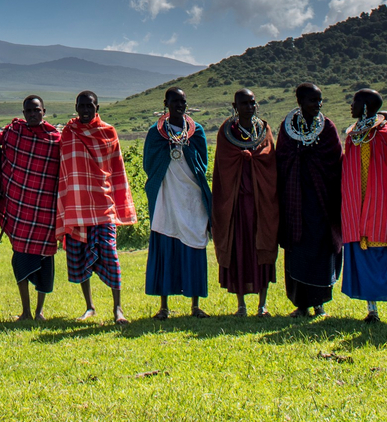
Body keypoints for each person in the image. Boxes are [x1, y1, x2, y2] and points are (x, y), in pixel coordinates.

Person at [57, 90, 136, 324]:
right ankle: (89, 306)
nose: (84, 110)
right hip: (77, 204)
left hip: (103, 203)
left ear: (97, 108)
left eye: (89, 106)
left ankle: (118, 309)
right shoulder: (69, 132)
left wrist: (122, 202)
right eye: (81, 106)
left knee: (110, 254)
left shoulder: (108, 132)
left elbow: (117, 168)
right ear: (75, 107)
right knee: (79, 256)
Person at [340, 89, 387, 326]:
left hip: (386, 206)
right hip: (358, 207)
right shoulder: (353, 136)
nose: (351, 106)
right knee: (365, 258)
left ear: (365, 107)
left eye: (355, 102)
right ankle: (372, 311)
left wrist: (385, 194)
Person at [275, 83, 344, 318]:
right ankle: (301, 304)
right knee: (298, 251)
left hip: (321, 203)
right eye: (313, 100)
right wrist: (298, 158)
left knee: (321, 250)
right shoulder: (287, 128)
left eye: (320, 100)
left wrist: (310, 160)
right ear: (300, 102)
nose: (318, 105)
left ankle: (319, 303)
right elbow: (282, 159)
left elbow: (334, 162)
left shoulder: (327, 128)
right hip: (295, 203)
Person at [143, 87, 211, 319]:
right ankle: (164, 307)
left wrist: (184, 150)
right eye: (175, 102)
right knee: (165, 244)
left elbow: (202, 164)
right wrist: (167, 150)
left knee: (194, 243)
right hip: (167, 195)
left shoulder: (197, 131)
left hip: (191, 196)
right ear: (166, 103)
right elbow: (149, 164)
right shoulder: (156, 133)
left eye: (183, 101)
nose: (179, 106)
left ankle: (195, 305)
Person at [210, 88, 279, 317]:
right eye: (244, 104)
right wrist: (243, 159)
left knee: (263, 249)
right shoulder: (227, 131)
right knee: (239, 250)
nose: (249, 108)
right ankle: (241, 305)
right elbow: (223, 167)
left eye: (252, 103)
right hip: (237, 204)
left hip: (261, 203)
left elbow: (270, 161)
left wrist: (253, 159)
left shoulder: (264, 128)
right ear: (235, 106)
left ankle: (262, 305)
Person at [0, 95, 62, 321]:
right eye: (29, 111)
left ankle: (39, 311)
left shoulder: (55, 139)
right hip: (21, 211)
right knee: (21, 260)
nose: (33, 114)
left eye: (37, 110)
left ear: (44, 111)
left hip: (45, 213)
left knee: (45, 263)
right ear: (23, 113)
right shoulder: (14, 134)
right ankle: (25, 310)